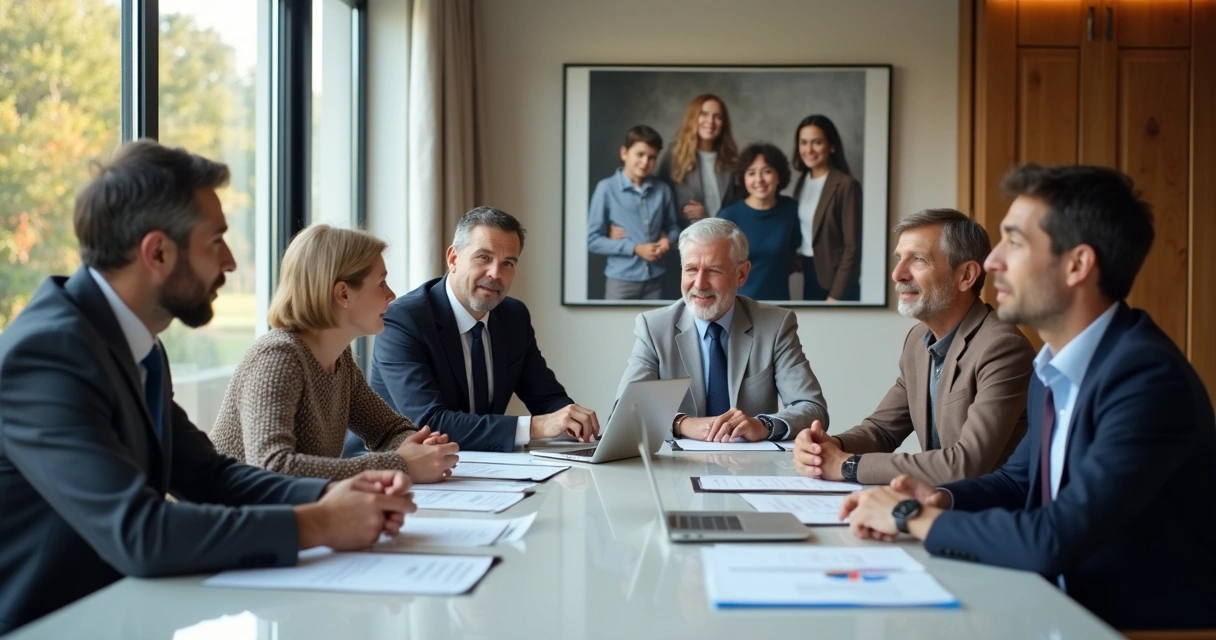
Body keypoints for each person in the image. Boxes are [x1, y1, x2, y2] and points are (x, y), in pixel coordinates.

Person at [0, 140, 417, 635]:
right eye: (215, 240)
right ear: (157, 252)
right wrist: (323, 522)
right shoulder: (48, 355)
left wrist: (338, 490)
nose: (231, 262)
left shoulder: (135, 345)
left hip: (124, 612)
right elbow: (141, 533)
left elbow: (210, 476)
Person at [840, 165, 1216, 631]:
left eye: (1014, 242)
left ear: (1077, 265)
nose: (993, 262)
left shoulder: (1147, 378)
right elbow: (1016, 484)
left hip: (1129, 625)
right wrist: (937, 497)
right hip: (1055, 604)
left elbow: (1054, 535)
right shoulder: (1053, 367)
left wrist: (908, 515)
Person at [793, 209, 1033, 485]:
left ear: (966, 275)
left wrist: (847, 465)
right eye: (899, 259)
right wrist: (826, 446)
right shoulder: (918, 340)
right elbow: (881, 431)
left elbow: (966, 464)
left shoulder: (1002, 348)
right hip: (937, 503)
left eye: (918, 259)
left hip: (991, 515)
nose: (897, 274)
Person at [210, 224, 460, 482]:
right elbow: (273, 467)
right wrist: (398, 464)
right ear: (343, 294)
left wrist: (419, 444)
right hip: (221, 517)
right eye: (381, 283)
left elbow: (388, 431)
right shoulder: (277, 358)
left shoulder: (339, 358)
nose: (391, 295)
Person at [369, 207, 600, 452]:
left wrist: (572, 422)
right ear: (453, 259)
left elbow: (546, 397)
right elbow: (430, 421)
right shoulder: (405, 320)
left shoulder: (514, 316)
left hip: (479, 467)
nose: (495, 273)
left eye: (508, 263)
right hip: (391, 470)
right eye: (484, 257)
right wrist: (536, 427)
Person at [616, 218, 828, 442]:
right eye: (690, 269)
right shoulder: (654, 328)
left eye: (713, 271)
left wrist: (763, 424)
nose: (699, 283)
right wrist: (682, 423)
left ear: (741, 274)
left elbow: (813, 409)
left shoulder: (775, 325)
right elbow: (624, 412)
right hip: (675, 470)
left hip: (752, 469)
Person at [651, 94, 741, 299]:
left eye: (717, 117)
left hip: (722, 250)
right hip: (684, 252)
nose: (710, 121)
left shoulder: (732, 161)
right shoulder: (674, 157)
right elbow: (656, 199)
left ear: (723, 123)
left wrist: (707, 215)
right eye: (704, 114)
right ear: (694, 118)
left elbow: (741, 208)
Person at [586, 125, 680, 300]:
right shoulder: (606, 189)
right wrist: (635, 249)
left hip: (656, 280)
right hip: (621, 281)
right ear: (624, 153)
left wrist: (668, 241)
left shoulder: (663, 190)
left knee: (655, 327)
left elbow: (674, 227)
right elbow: (593, 240)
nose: (645, 162)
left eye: (652, 157)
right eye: (640, 154)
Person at [791, 114, 862, 302]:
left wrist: (836, 295)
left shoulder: (846, 185)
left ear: (831, 146)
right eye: (803, 142)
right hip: (809, 271)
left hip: (836, 281)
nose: (809, 149)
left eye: (817, 142)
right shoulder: (802, 181)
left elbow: (852, 247)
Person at [717, 143, 801, 301]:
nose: (759, 180)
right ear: (743, 178)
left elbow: (795, 251)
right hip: (736, 308)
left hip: (779, 306)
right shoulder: (728, 216)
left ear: (779, 176)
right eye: (751, 173)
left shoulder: (791, 210)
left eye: (767, 171)